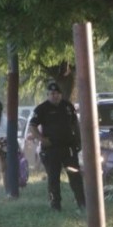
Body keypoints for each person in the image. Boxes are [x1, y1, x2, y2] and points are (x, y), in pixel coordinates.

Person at [28, 82, 86, 211]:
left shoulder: (68, 106)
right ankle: (55, 205)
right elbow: (32, 127)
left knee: (75, 176)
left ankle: (82, 203)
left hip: (68, 148)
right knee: (53, 178)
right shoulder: (41, 109)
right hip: (51, 149)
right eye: (52, 94)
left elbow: (75, 124)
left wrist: (78, 142)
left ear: (60, 94)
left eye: (57, 93)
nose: (54, 96)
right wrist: (41, 139)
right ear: (48, 95)